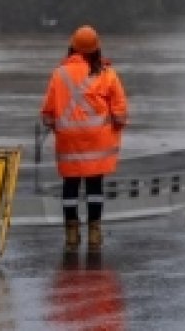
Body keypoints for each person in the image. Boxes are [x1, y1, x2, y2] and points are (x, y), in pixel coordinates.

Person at [40, 25, 129, 252]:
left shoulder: (59, 74)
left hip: (69, 142)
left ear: (72, 47)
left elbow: (47, 113)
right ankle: (94, 234)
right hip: (98, 142)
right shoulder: (107, 73)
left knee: (70, 185)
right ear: (96, 48)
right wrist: (115, 125)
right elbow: (119, 112)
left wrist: (59, 124)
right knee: (94, 186)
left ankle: (71, 234)